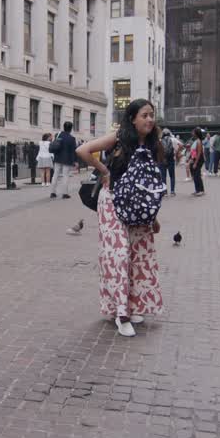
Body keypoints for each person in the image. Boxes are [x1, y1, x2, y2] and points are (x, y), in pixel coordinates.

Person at [77, 99, 166, 337]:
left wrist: (153, 217)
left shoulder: (153, 145)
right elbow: (82, 151)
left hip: (138, 208)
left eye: (152, 115)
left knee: (139, 256)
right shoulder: (118, 138)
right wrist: (104, 171)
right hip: (113, 202)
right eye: (145, 115)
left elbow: (151, 185)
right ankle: (121, 313)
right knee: (119, 255)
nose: (149, 119)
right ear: (132, 118)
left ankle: (134, 306)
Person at [49, 121, 78, 199]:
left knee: (55, 175)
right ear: (71, 129)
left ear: (63, 127)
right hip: (67, 159)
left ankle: (52, 192)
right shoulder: (72, 138)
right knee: (65, 176)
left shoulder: (58, 135)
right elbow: (73, 150)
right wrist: (75, 161)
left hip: (57, 158)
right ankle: (65, 193)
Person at [160, 128, 180, 196]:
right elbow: (181, 145)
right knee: (172, 176)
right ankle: (172, 191)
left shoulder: (160, 140)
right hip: (171, 159)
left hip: (162, 160)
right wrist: (176, 152)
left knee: (163, 176)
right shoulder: (173, 139)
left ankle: (165, 192)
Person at [188, 128, 206, 196]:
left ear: (196, 133)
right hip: (194, 159)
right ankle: (197, 190)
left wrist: (195, 163)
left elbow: (199, 153)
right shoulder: (196, 141)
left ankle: (201, 190)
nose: (192, 133)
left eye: (193, 132)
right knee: (195, 175)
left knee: (197, 175)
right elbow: (193, 152)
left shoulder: (198, 141)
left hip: (198, 160)